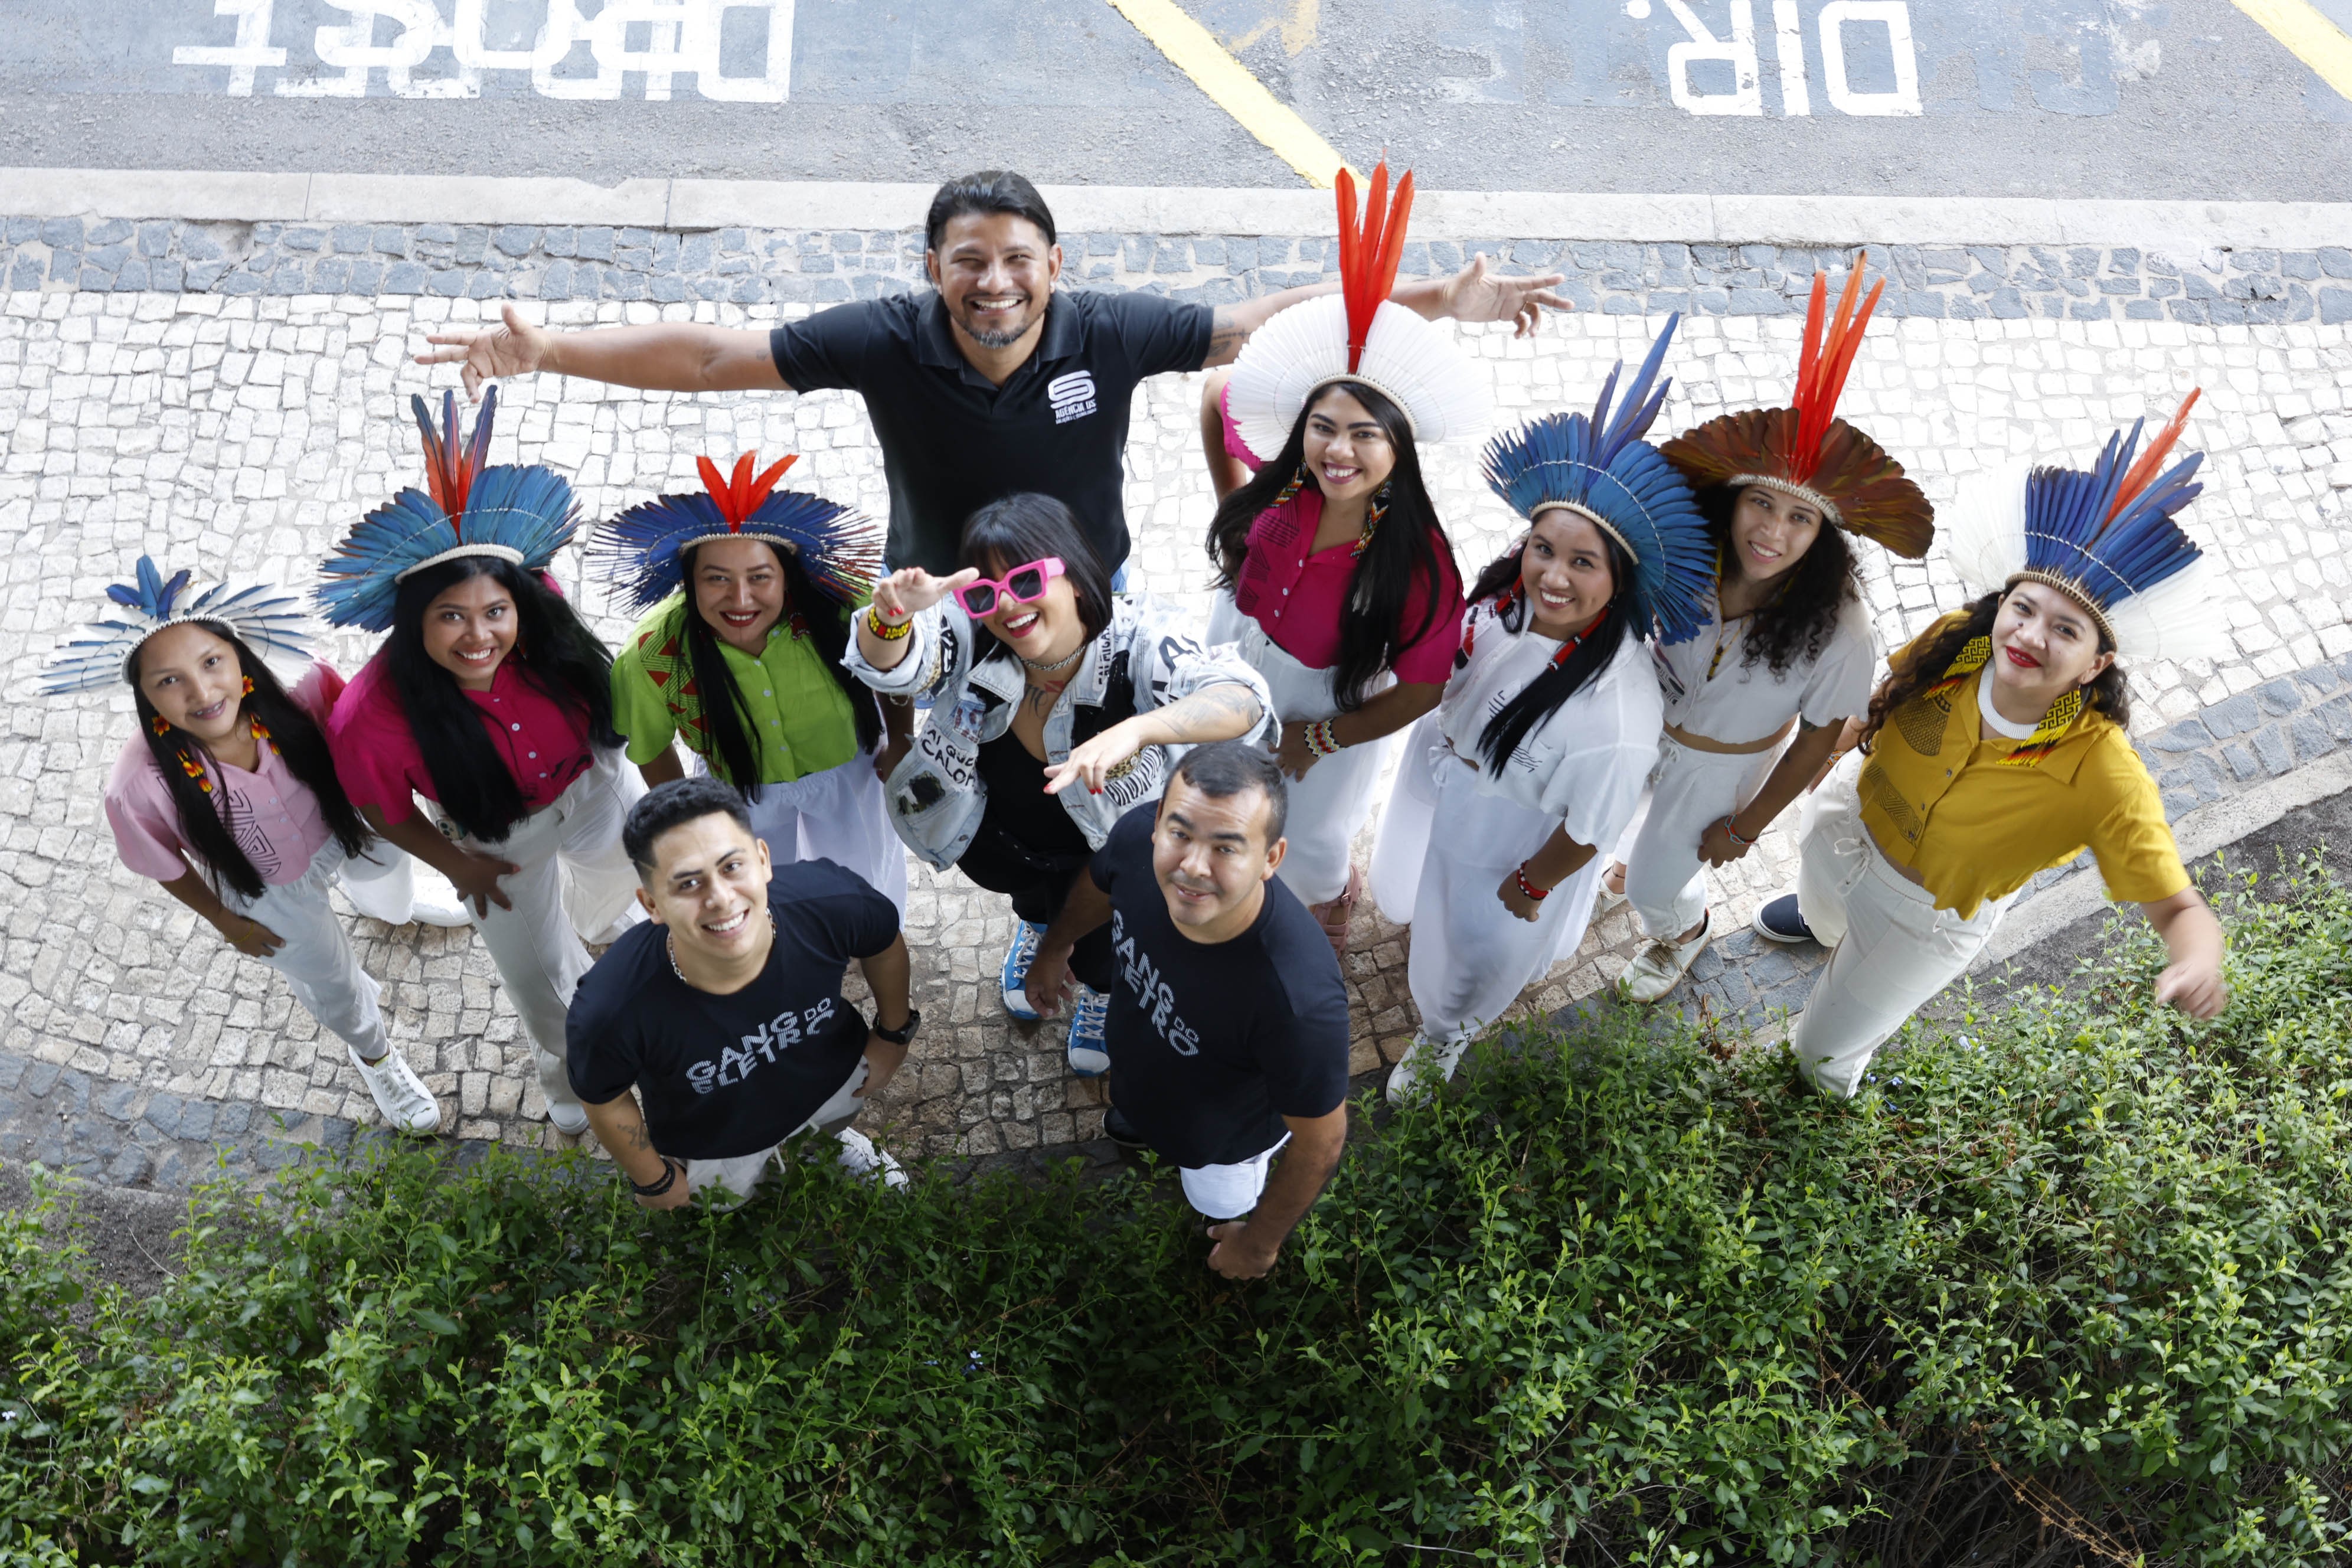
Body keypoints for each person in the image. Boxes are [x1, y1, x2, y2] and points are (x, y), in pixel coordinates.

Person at [415, 169, 1570, 577]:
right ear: (933, 269)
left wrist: (1428, 299)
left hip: (1091, 575)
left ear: (1056, 265)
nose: (996, 282)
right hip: (938, 577)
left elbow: (1256, 320)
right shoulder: (881, 336)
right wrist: (550, 350)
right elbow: (719, 356)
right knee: (944, 731)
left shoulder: (1109, 330)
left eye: (1020, 260)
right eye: (969, 261)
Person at [1755, 396, 2231, 1096]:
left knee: (1820, 1059)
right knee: (1820, 901)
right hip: (1845, 821)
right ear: (2003, 604)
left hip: (1922, 917)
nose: (2031, 637)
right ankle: (1824, 922)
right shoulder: (1962, 639)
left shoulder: (2102, 772)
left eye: (2067, 631)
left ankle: (1824, 1062)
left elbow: (2180, 909)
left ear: (2098, 663)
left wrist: (2197, 961)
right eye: (2025, 608)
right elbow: (1877, 706)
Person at [1371, 324, 1714, 1102]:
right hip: (1446, 779)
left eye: (1582, 563)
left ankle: (1447, 1034)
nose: (1551, 576)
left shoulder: (1617, 718)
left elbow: (1589, 829)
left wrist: (1529, 885)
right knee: (1425, 888)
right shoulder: (1504, 600)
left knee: (1476, 947)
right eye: (1543, 548)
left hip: (1504, 838)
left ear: (1621, 580)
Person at [844, 492, 1273, 1077]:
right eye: (987, 594)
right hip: (1002, 843)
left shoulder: (1139, 637)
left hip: (1107, 860)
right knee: (1033, 900)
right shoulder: (971, 637)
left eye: (1024, 581)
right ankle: (1043, 927)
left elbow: (1241, 698)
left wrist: (1140, 730)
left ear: (1072, 572)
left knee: (1104, 945)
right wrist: (890, 616)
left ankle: (1097, 987)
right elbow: (894, 663)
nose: (1007, 607)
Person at [1599, 269, 1936, 1001]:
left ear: (1824, 534)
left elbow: (1817, 741)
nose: (1772, 532)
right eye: (1760, 502)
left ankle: (1681, 928)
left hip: (1719, 771)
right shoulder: (1686, 549)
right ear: (1733, 501)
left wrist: (1746, 828)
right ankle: (1631, 854)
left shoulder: (1842, 630)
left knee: (1658, 885)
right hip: (1637, 723)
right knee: (1602, 824)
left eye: (1799, 517)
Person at [320, 390, 644, 1137]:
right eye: (451, 617)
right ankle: (573, 1081)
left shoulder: (545, 616)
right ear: (414, 621)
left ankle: (601, 918)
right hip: (497, 836)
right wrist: (459, 867)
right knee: (541, 980)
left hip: (593, 781)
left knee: (620, 877)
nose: (479, 636)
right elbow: (383, 807)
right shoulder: (371, 712)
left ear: (519, 602)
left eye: (494, 611)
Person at [45, 557, 443, 1134]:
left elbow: (360, 740)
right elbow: (164, 863)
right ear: (143, 694)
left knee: (389, 874)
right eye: (168, 680)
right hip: (268, 887)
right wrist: (224, 921)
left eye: (211, 662)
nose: (202, 692)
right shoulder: (137, 785)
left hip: (345, 826)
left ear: (239, 655)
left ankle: (394, 909)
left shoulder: (303, 685)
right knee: (330, 981)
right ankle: (375, 1055)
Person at [1201, 163, 1480, 955]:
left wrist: (1320, 738)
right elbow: (1216, 397)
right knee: (1222, 785)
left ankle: (1326, 906)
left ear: (1401, 448)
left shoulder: (1421, 564)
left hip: (1325, 707)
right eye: (1325, 425)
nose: (1340, 449)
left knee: (1313, 839)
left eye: (1366, 434)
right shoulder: (1283, 485)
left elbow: (1423, 688)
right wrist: (1233, 514)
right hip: (1234, 650)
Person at [1023, 741, 1350, 1279]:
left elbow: (1322, 1141)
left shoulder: (1298, 1000)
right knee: (1138, 1106)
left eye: (1226, 848)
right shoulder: (1135, 843)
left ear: (1271, 858)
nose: (1192, 868)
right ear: (1157, 824)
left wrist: (1259, 1245)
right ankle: (1142, 1120)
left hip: (1223, 1146)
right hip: (1140, 1071)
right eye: (1180, 834)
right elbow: (1102, 883)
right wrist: (1055, 948)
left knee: (1217, 1207)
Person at [567, 776, 917, 1209]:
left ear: (764, 860)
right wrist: (654, 1179)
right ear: (652, 904)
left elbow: (883, 943)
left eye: (732, 866)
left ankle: (831, 1143)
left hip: (831, 1088)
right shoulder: (611, 1006)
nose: (720, 898)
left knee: (828, 1127)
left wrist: (893, 1035)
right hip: (713, 1147)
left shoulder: (833, 900)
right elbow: (604, 1097)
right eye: (688, 884)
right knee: (725, 1204)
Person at [594, 449, 909, 914]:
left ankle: (871, 938)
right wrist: (687, 822)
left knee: (867, 885)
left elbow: (890, 669)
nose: (740, 599)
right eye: (716, 579)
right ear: (689, 582)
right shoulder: (651, 656)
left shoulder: (849, 607)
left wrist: (901, 738)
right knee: (761, 901)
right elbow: (652, 748)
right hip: (735, 788)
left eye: (759, 577)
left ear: (788, 575)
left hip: (850, 774)